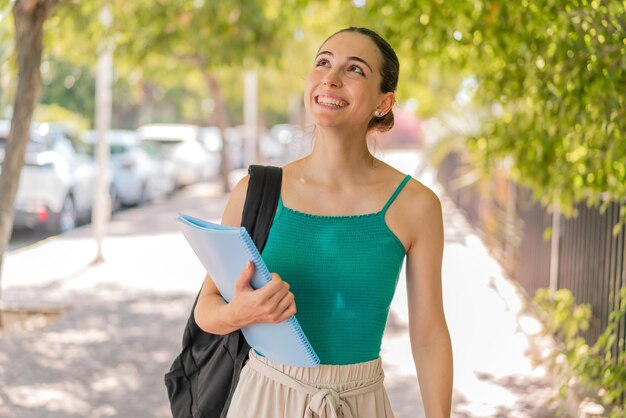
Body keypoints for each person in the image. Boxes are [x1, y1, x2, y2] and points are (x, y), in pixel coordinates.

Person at [194, 26, 453, 418]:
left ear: (384, 102)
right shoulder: (255, 192)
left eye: (355, 70)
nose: (330, 78)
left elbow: (430, 334)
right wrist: (241, 312)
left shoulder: (416, 206)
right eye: (323, 63)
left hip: (360, 402)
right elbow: (206, 310)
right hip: (264, 398)